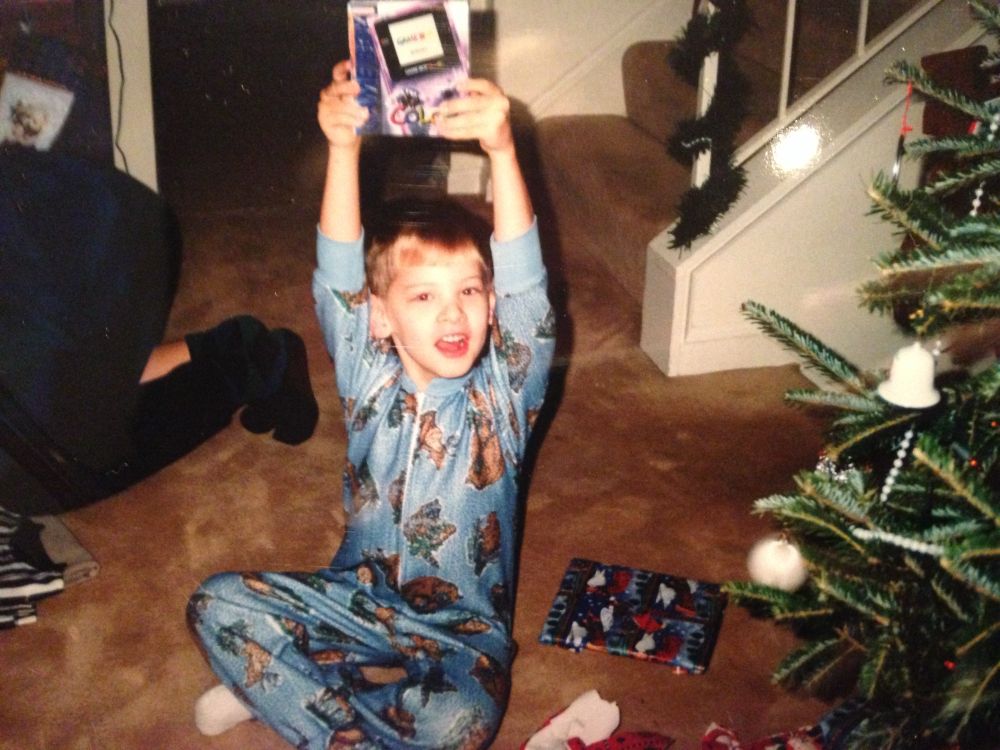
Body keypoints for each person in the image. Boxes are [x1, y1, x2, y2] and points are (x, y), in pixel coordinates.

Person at [186, 60, 556, 749]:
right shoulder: (367, 373)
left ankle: (290, 691)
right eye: (424, 296)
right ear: (380, 316)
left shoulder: (503, 400)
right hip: (354, 604)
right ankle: (321, 695)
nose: (453, 314)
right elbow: (337, 273)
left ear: (491, 304)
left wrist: (502, 151)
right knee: (215, 603)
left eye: (469, 292)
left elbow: (528, 290)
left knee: (460, 724)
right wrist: (342, 148)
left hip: (459, 637)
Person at [0, 146, 319, 517]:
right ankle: (240, 348)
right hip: (78, 238)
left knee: (45, 473)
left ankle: (251, 361)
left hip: (103, 237)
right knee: (53, 410)